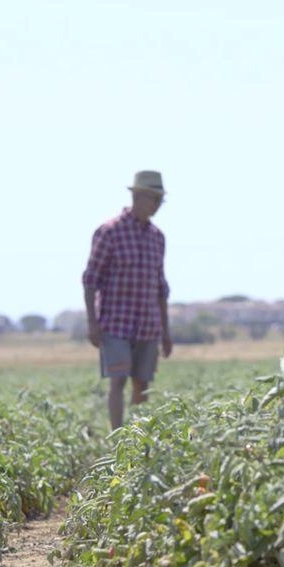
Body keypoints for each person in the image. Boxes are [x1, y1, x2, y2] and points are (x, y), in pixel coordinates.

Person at [82, 170, 173, 429]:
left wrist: (166, 332)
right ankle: (117, 439)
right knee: (118, 379)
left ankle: (136, 439)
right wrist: (92, 322)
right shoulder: (109, 232)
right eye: (153, 199)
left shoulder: (157, 238)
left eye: (159, 201)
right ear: (138, 197)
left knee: (142, 384)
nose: (156, 206)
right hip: (115, 323)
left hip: (148, 323)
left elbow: (161, 288)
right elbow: (90, 279)